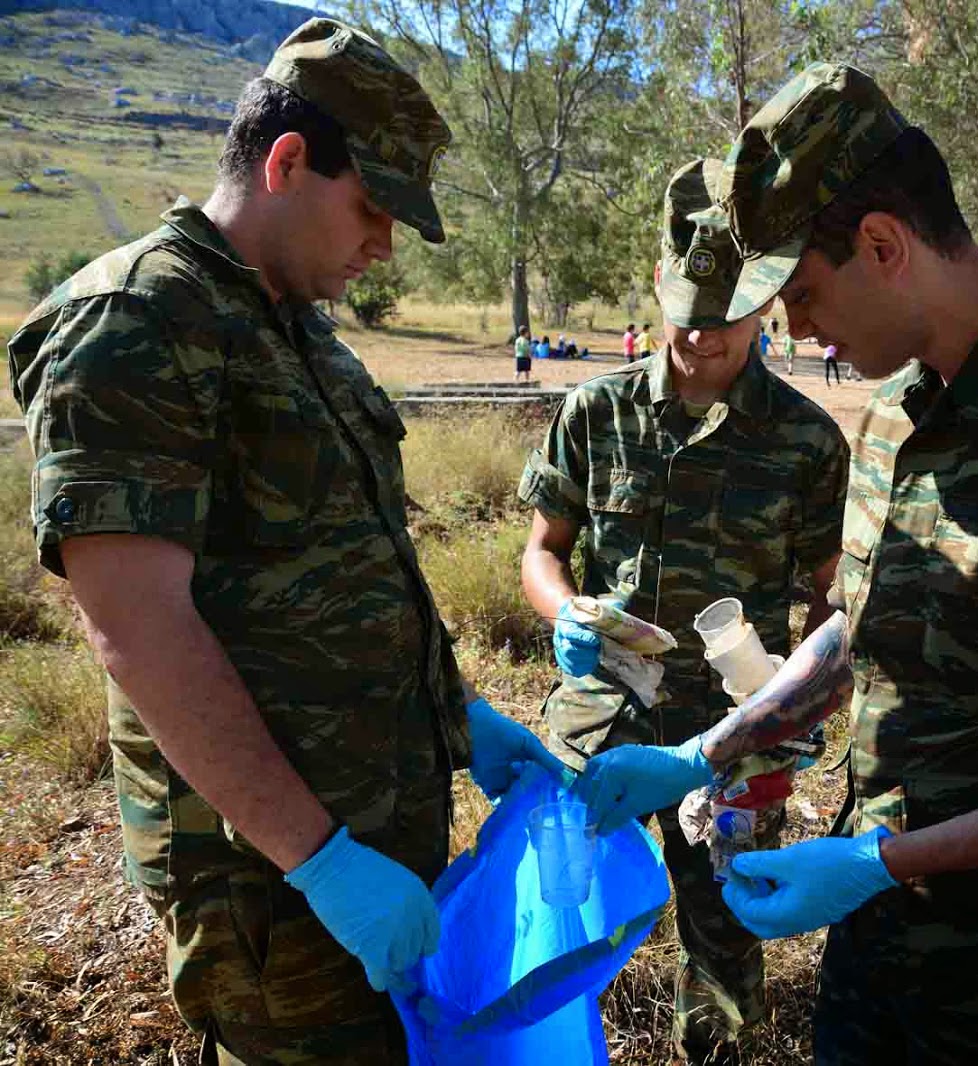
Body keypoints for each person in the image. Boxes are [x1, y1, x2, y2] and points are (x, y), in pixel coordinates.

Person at [573, 62, 978, 1064]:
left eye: (800, 292)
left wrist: (886, 860)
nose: (793, 330)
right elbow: (860, 624)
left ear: (882, 245)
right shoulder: (892, 413)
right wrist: (704, 750)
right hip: (869, 945)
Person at [5, 19, 569, 1063]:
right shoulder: (136, 322)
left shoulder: (300, 330)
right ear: (287, 161)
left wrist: (463, 714)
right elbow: (137, 627)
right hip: (272, 883)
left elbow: (346, 571)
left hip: (379, 834)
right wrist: (319, 860)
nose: (386, 244)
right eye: (373, 208)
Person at [518, 156, 849, 1065]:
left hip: (733, 731)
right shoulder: (594, 412)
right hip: (602, 718)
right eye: (685, 319)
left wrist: (806, 703)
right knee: (558, 918)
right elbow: (544, 551)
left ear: (765, 311)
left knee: (726, 937)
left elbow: (830, 600)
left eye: (725, 323)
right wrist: (565, 614)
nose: (699, 340)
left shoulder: (806, 441)